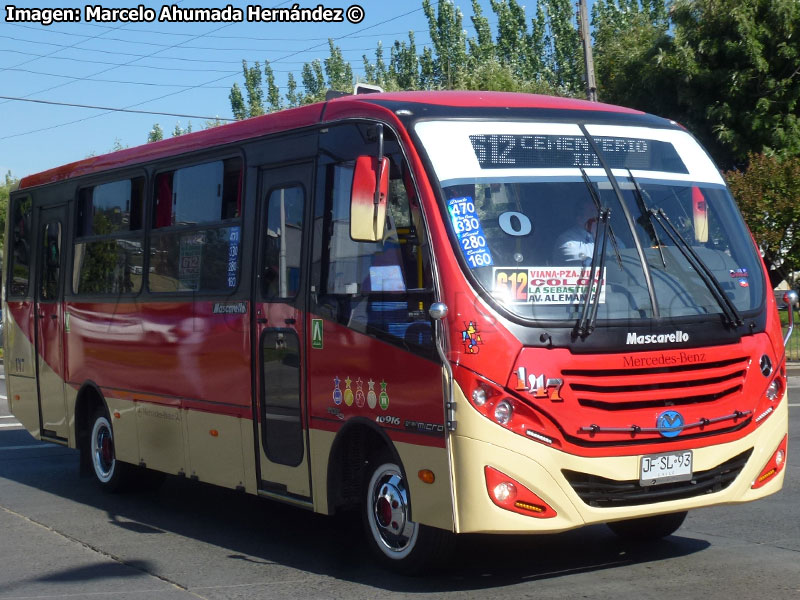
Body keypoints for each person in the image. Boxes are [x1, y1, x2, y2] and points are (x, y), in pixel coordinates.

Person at [554, 198, 598, 266]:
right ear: (579, 218)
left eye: (598, 212)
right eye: (592, 212)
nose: (597, 216)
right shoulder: (567, 241)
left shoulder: (613, 240)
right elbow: (586, 266)